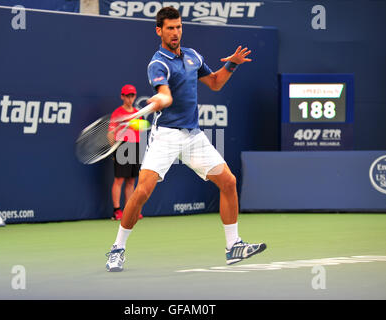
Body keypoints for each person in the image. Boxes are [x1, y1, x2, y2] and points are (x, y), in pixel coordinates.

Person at [105, 7, 266, 272]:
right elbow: (165, 93)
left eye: (178, 27)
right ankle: (118, 248)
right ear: (159, 31)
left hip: (194, 136)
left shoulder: (193, 56)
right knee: (142, 191)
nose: (176, 32)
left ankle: (233, 246)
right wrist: (163, 98)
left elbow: (214, 83)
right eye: (170, 28)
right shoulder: (157, 63)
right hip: (166, 135)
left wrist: (232, 64)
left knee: (228, 182)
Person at [107, 85, 143, 221]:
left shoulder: (138, 113)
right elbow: (110, 133)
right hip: (121, 147)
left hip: (135, 146)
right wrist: (113, 150)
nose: (130, 98)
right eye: (127, 96)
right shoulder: (117, 113)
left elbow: (139, 132)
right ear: (122, 96)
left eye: (132, 95)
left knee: (131, 181)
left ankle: (129, 210)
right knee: (119, 180)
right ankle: (117, 211)